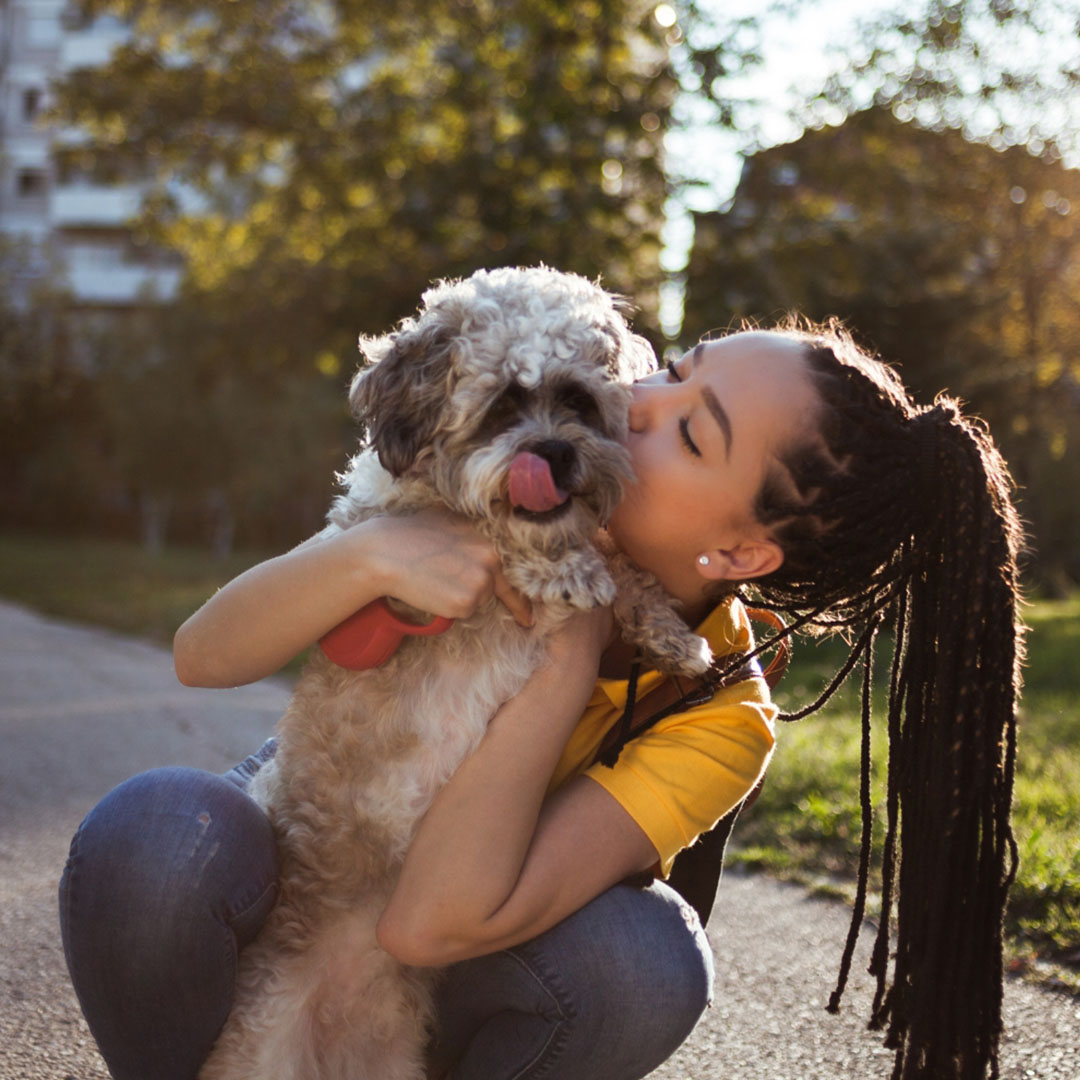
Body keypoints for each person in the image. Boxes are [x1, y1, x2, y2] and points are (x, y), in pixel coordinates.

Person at [58, 318, 1023, 1080]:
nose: (639, 401)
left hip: (449, 969)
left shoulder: (720, 717)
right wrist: (368, 556)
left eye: (690, 430)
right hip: (309, 870)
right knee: (160, 830)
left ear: (737, 556)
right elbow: (203, 653)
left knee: (645, 965)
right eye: (676, 367)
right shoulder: (478, 479)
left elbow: (426, 925)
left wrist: (573, 635)